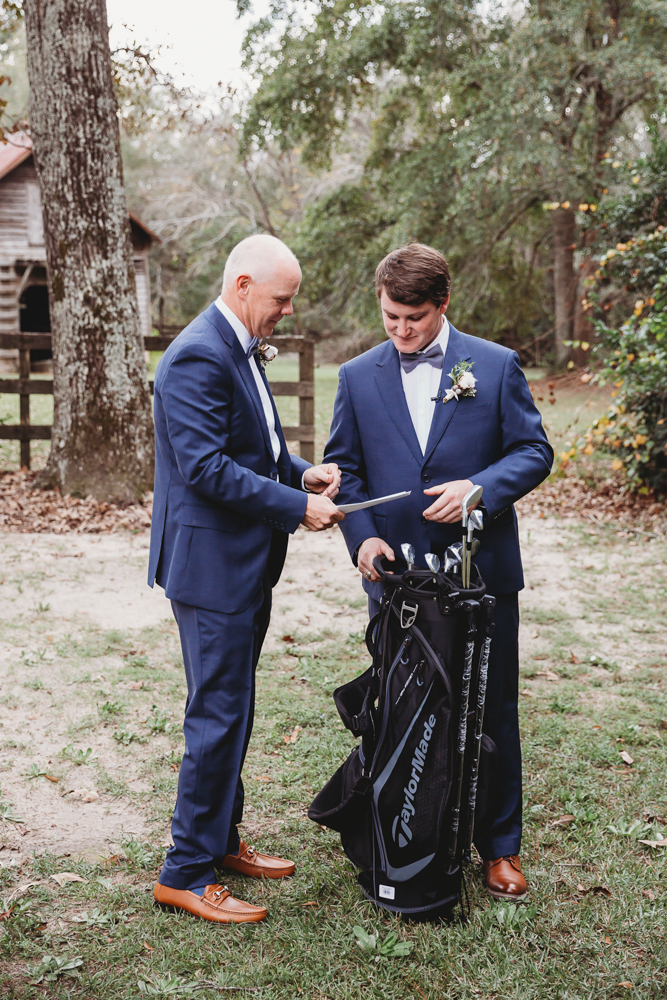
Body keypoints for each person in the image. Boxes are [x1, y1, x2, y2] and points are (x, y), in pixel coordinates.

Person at [324, 243, 553, 901]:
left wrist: (480, 487)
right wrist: (361, 542)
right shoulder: (356, 377)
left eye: (414, 319)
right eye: (390, 317)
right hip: (396, 580)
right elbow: (346, 470)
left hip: (481, 575)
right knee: (400, 710)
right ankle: (403, 833)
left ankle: (499, 847)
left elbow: (534, 450)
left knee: (491, 707)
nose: (400, 332)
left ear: (442, 304)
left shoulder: (494, 365)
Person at [148, 234, 344, 923]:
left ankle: (220, 840)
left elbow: (253, 445)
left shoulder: (236, 347)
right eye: (280, 300)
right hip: (209, 569)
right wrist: (297, 507)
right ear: (241, 286)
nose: (285, 312)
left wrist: (300, 473)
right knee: (216, 714)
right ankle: (185, 871)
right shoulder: (198, 354)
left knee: (235, 708)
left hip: (242, 563)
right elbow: (204, 469)